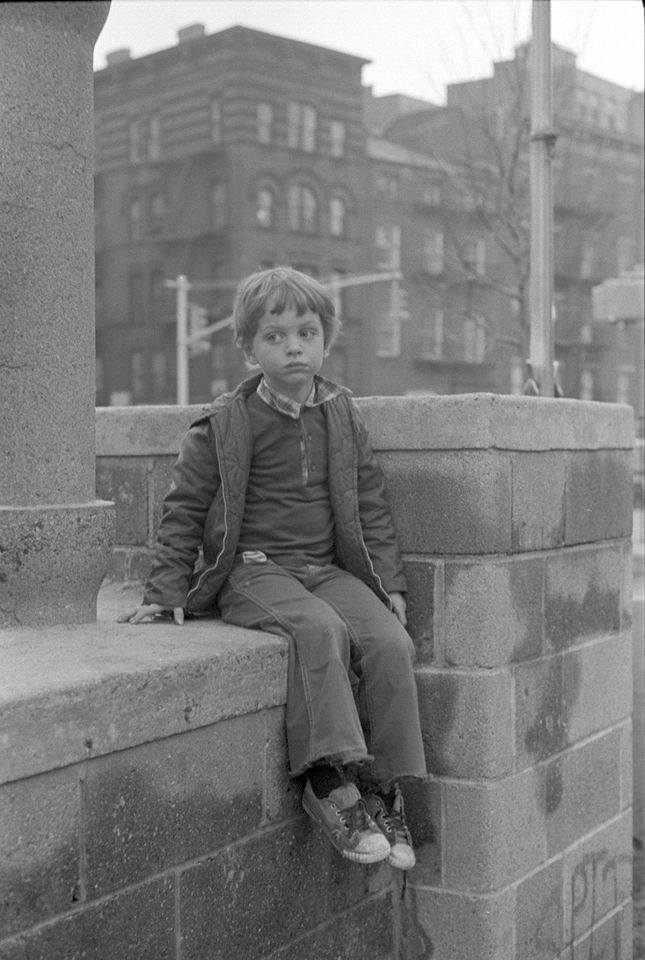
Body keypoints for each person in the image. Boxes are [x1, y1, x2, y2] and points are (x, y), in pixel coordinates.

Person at [119, 266, 427, 869]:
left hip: (326, 568)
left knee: (390, 641)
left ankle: (384, 790)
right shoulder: (226, 423)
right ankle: (328, 783)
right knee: (318, 630)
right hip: (254, 572)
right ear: (249, 349)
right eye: (275, 336)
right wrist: (166, 589)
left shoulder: (341, 416)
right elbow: (182, 508)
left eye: (306, 333)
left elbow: (370, 505)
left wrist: (388, 582)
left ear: (325, 341)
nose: (293, 347)